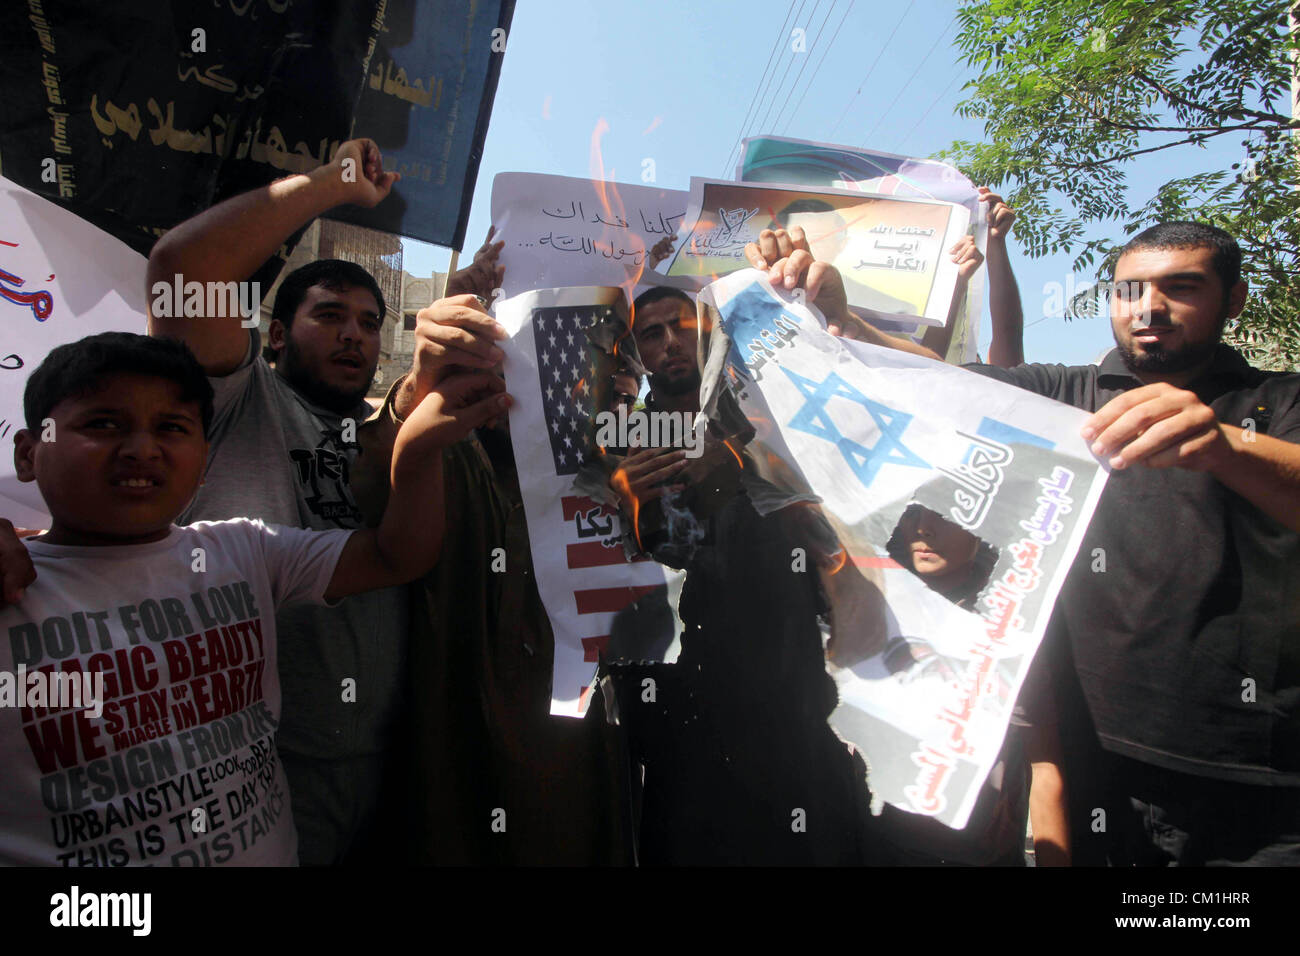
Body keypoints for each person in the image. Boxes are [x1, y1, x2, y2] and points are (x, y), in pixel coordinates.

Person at [0, 331, 504, 865]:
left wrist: (414, 451)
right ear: (29, 454)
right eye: (103, 424)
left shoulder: (244, 549)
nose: (142, 448)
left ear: (202, 458)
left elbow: (395, 556)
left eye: (171, 427)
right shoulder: (12, 587)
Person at [966, 221, 1300, 865]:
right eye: (1129, 289)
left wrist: (1229, 446)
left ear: (1233, 301)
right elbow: (921, 380)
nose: (1149, 306)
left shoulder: (1278, 402)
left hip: (1260, 785)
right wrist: (833, 316)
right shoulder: (1066, 395)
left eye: (1182, 287)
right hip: (1102, 770)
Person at [877, 504, 1068, 866]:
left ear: (984, 531)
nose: (923, 529)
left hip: (975, 854)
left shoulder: (1009, 632)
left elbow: (1044, 765)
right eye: (913, 515)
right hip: (877, 844)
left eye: (946, 514)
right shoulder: (873, 607)